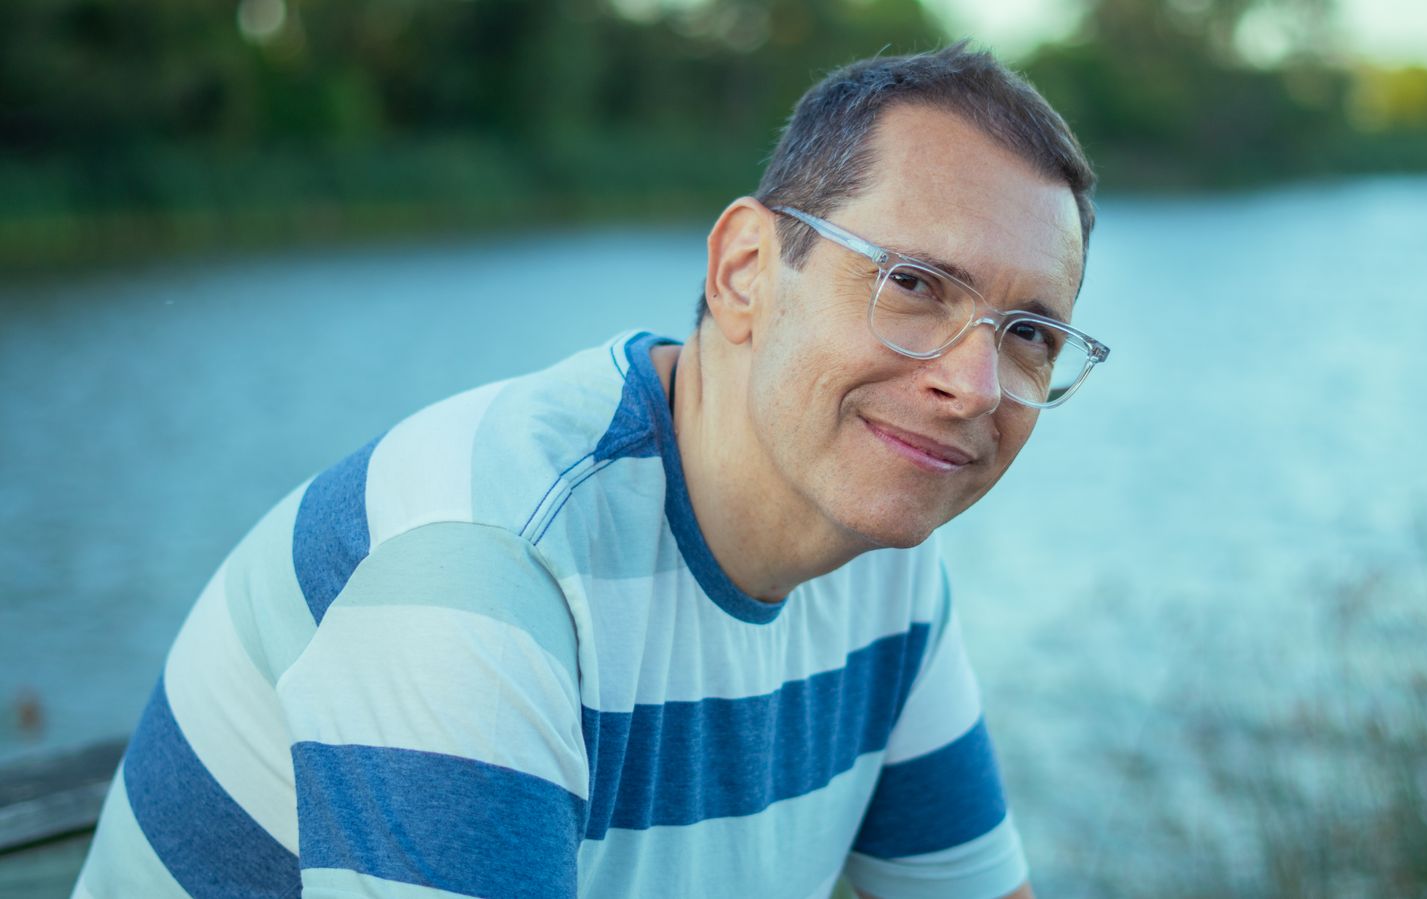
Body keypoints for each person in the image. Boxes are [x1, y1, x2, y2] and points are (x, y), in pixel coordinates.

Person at [73, 41, 1105, 898]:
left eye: (1030, 334)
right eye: (914, 283)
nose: (974, 384)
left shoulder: (886, 562)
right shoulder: (483, 570)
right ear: (745, 272)